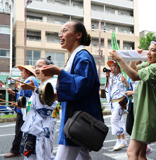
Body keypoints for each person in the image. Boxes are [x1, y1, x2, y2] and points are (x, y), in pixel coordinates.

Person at [41, 21, 103, 160]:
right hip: (77, 118)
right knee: (82, 155)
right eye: (60, 32)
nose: (60, 35)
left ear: (78, 35)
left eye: (64, 30)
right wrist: (59, 94)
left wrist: (59, 72)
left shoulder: (82, 56)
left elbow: (83, 84)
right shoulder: (76, 56)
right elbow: (78, 85)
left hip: (76, 119)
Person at [110, 40, 156, 160]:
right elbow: (134, 69)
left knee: (131, 153)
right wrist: (134, 57)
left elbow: (134, 76)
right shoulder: (150, 64)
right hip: (145, 114)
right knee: (141, 154)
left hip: (148, 115)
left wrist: (120, 59)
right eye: (149, 50)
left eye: (153, 50)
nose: (149, 53)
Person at [20, 56, 58, 160]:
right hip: (34, 125)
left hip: (44, 125)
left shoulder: (53, 83)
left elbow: (48, 104)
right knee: (33, 154)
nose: (36, 69)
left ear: (50, 69)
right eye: (35, 66)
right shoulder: (42, 84)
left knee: (43, 155)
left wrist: (34, 90)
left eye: (40, 66)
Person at [4, 65, 38, 158]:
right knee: (21, 132)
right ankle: (20, 150)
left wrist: (19, 88)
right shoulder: (29, 80)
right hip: (24, 110)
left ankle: (16, 150)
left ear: (28, 72)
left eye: (22, 71)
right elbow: (23, 96)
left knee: (20, 132)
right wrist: (14, 93)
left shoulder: (30, 80)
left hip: (26, 111)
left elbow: (27, 96)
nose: (21, 73)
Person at [105, 60, 129, 151]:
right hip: (113, 102)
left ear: (118, 67)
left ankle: (119, 140)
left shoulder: (122, 77)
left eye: (113, 66)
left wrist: (126, 82)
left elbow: (129, 88)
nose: (111, 68)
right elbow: (107, 90)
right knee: (119, 121)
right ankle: (122, 140)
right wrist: (107, 78)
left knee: (114, 119)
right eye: (110, 66)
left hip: (120, 102)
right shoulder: (111, 78)